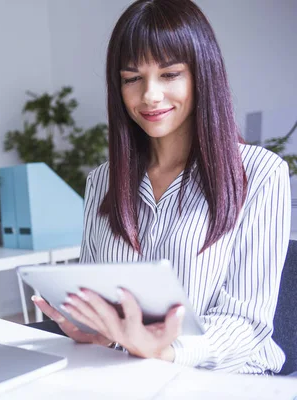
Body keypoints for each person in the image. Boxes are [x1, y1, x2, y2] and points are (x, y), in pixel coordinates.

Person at [32, 0, 290, 375]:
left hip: (226, 382)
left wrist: (167, 351)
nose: (150, 95)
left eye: (170, 74)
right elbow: (102, 299)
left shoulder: (260, 173)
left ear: (202, 75)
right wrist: (96, 330)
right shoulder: (102, 180)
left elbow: (246, 323)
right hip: (129, 374)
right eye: (132, 78)